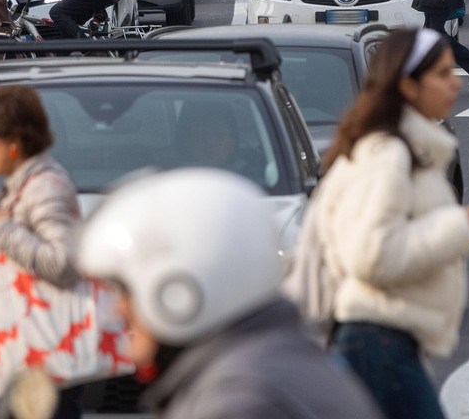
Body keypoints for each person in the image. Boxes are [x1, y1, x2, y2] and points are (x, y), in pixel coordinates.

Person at [78, 168, 384, 419]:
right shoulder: (266, 362)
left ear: (178, 292)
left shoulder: (241, 401)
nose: (115, 310)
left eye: (124, 292)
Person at [315, 28, 469, 419]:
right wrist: (458, 228)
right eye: (441, 74)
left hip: (383, 338)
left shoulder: (400, 148)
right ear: (408, 86)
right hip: (378, 339)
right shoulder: (388, 155)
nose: (454, 82)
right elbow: (371, 255)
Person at [0, 86, 85, 419]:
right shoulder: (26, 183)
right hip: (25, 350)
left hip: (39, 354)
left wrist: (1, 231)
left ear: (13, 143)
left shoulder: (45, 187)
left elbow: (63, 263)